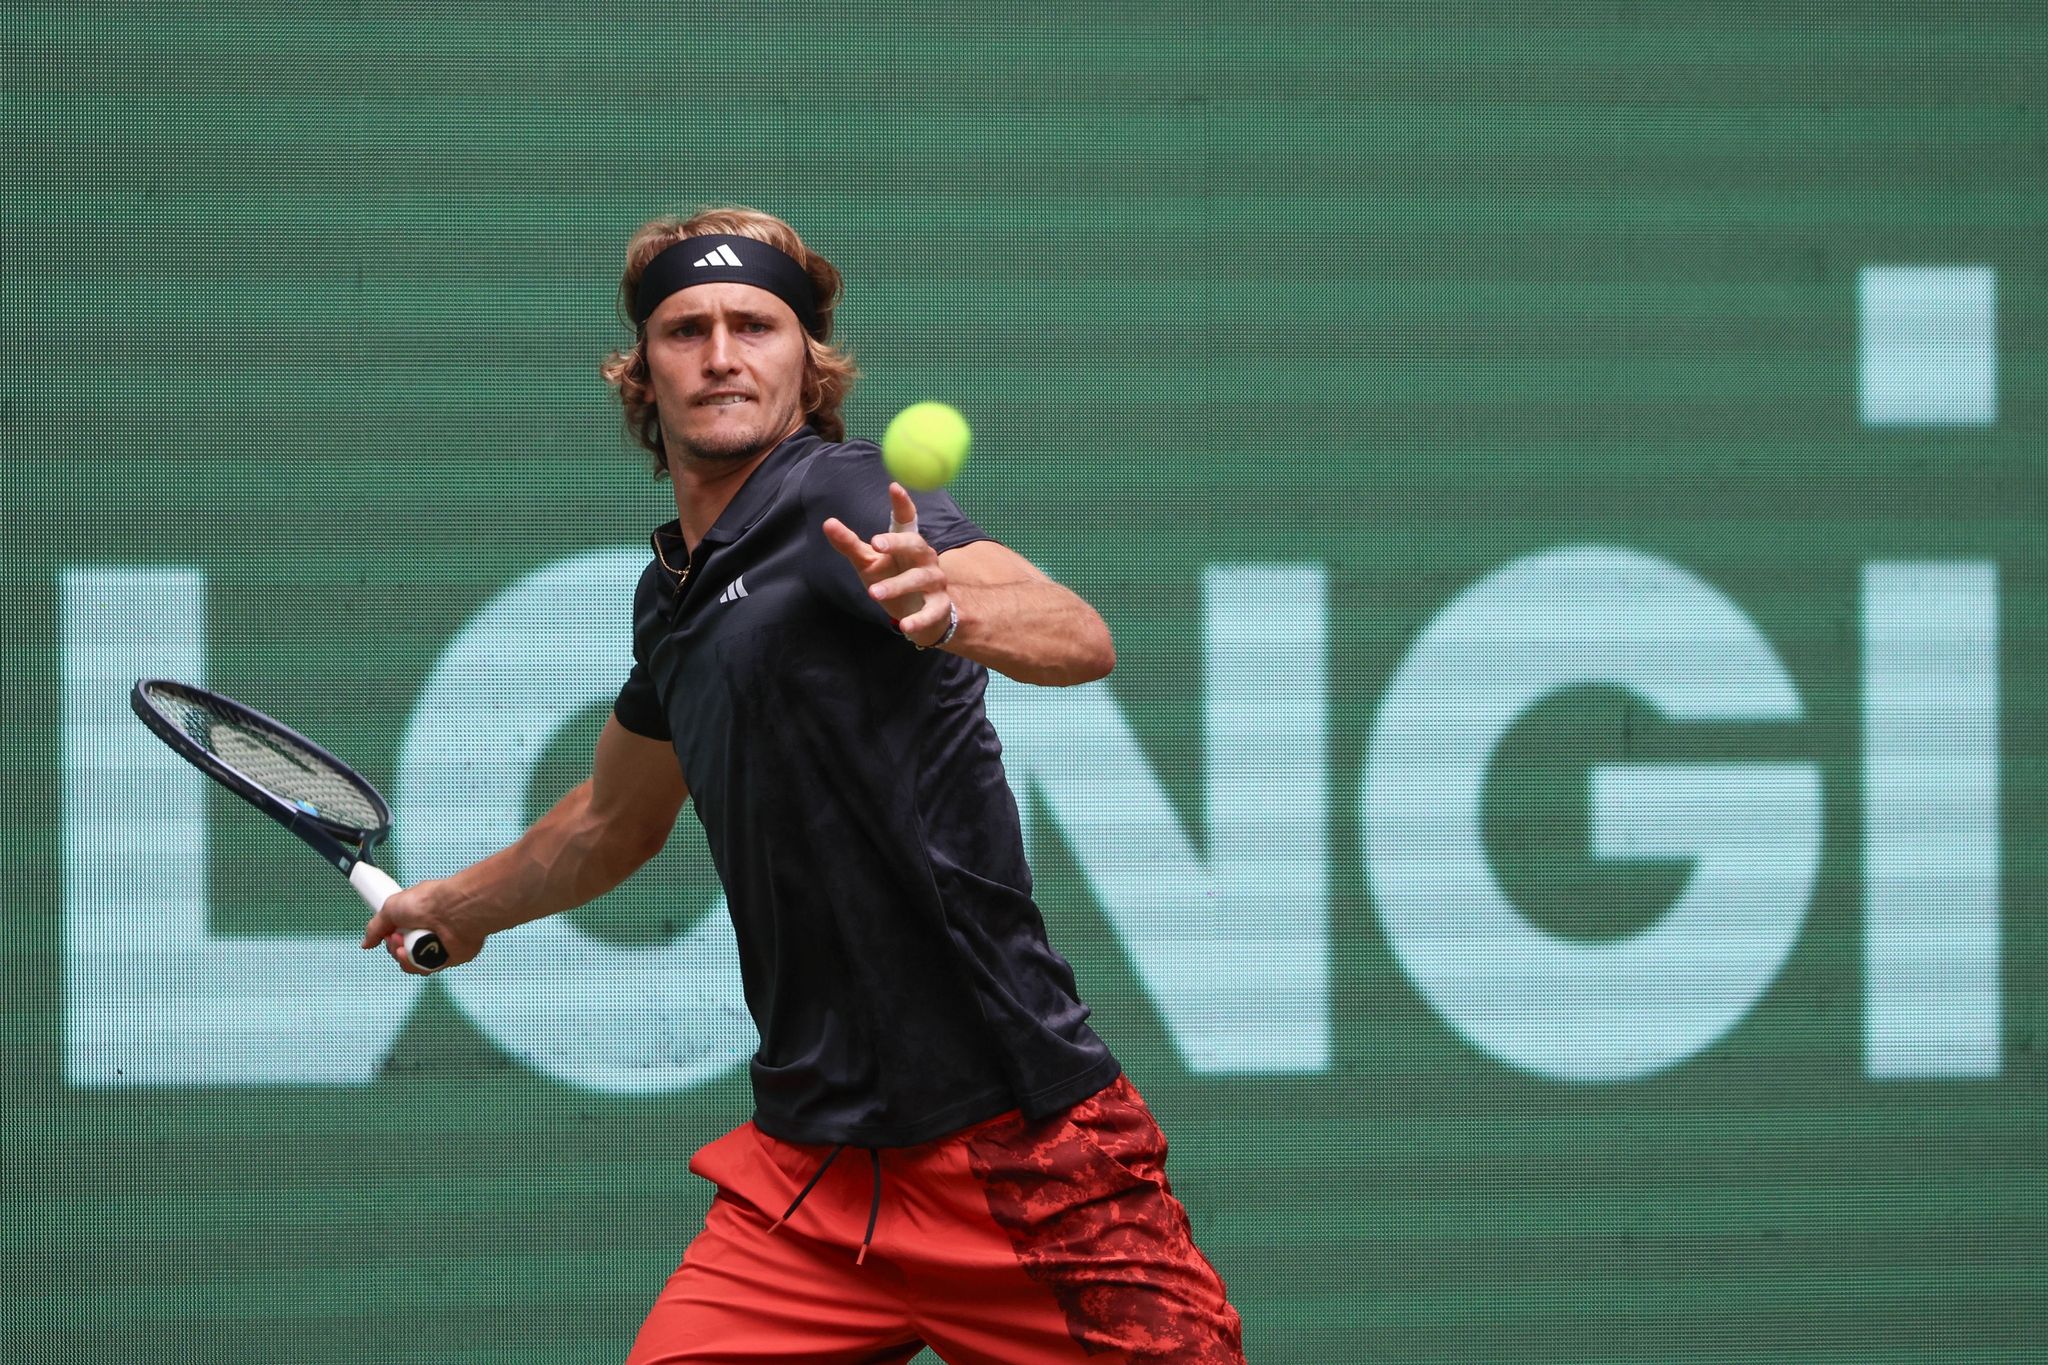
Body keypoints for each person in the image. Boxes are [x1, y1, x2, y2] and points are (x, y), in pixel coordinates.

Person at [361, 205, 1246, 1364]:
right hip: (811, 1180)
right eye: (686, 330)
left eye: (754, 326)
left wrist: (951, 607)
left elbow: (1077, 635)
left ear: (805, 363)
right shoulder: (670, 600)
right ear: (642, 377)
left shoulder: (848, 502)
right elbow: (612, 821)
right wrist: (452, 907)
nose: (720, 353)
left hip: (1015, 1148)